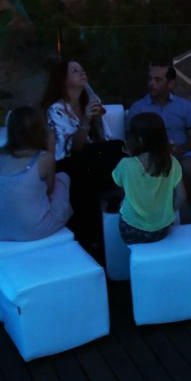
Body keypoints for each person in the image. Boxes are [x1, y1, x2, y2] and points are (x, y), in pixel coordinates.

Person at [41, 58, 123, 247]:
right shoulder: (57, 110)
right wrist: (85, 118)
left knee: (118, 147)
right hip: (69, 162)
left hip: (90, 159)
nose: (82, 73)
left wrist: (96, 121)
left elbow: (102, 141)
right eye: (75, 71)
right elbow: (75, 148)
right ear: (63, 79)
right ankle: (92, 237)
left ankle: (100, 235)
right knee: (85, 170)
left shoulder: (90, 101)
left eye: (82, 69)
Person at [127, 60, 191, 222]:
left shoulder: (184, 106)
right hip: (150, 156)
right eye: (150, 79)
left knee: (188, 166)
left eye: (157, 80)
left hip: (182, 153)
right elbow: (131, 141)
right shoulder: (138, 108)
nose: (151, 84)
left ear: (171, 83)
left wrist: (180, 149)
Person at [0, 107, 72, 241]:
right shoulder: (43, 159)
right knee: (63, 179)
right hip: (32, 231)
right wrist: (51, 150)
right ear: (39, 132)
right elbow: (50, 189)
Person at [112, 112, 183, 244]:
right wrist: (168, 213)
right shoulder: (172, 162)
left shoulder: (126, 164)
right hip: (162, 230)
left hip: (131, 230)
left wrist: (130, 157)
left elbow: (119, 184)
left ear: (139, 140)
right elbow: (182, 196)